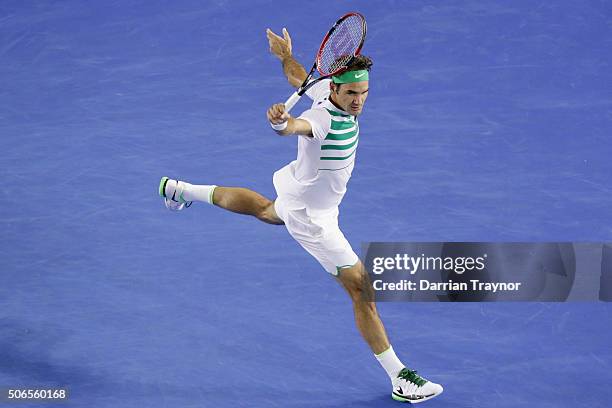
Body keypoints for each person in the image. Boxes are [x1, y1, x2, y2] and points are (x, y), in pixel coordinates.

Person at [158, 26, 443, 403]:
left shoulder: (324, 89)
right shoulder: (325, 122)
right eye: (352, 93)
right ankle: (400, 378)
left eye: (364, 93)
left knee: (265, 209)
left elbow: (298, 76)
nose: (359, 101)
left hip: (298, 196)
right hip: (314, 218)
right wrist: (281, 123)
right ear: (336, 90)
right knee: (362, 290)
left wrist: (283, 56)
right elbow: (298, 126)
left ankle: (180, 190)